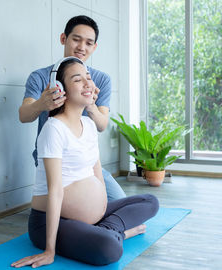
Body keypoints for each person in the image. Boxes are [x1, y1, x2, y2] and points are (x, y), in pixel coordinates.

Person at [11, 58, 159, 268]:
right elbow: (55, 192)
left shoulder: (89, 125)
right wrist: (49, 251)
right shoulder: (54, 129)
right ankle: (118, 233)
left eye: (88, 78)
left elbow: (96, 175)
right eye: (78, 80)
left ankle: (106, 229)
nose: (88, 83)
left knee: (150, 202)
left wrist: (100, 206)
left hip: (93, 217)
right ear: (61, 89)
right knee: (110, 249)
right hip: (50, 222)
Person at [19, 15, 126, 201]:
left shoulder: (100, 80)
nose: (81, 47)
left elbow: (102, 125)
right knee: (81, 213)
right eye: (76, 39)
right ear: (63, 39)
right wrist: (41, 104)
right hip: (55, 162)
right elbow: (24, 115)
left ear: (94, 47)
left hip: (87, 162)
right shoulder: (40, 77)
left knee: (119, 203)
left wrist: (90, 104)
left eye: (88, 43)